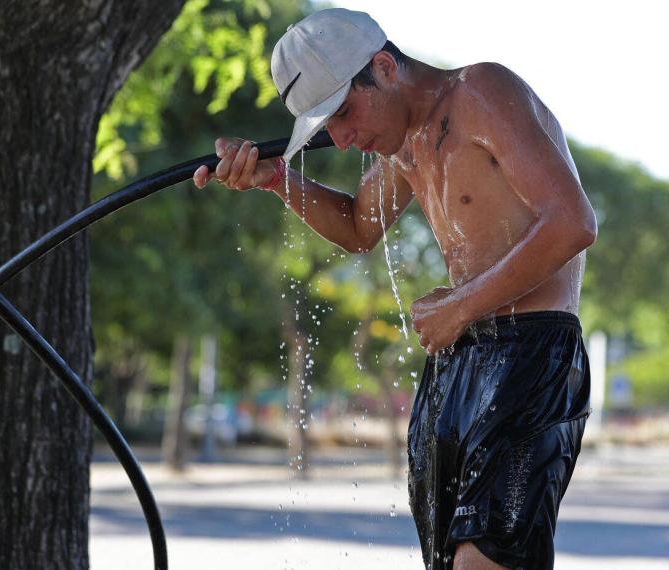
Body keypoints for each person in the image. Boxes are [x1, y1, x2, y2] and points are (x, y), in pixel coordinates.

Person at [194, 8, 597, 570]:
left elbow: (572, 223)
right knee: (444, 561)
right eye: (325, 127)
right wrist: (278, 179)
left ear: (384, 67)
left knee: (489, 560)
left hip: (530, 352)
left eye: (342, 112)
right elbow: (360, 228)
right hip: (456, 357)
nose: (340, 137)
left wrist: (460, 306)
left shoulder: (480, 91)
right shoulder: (403, 143)